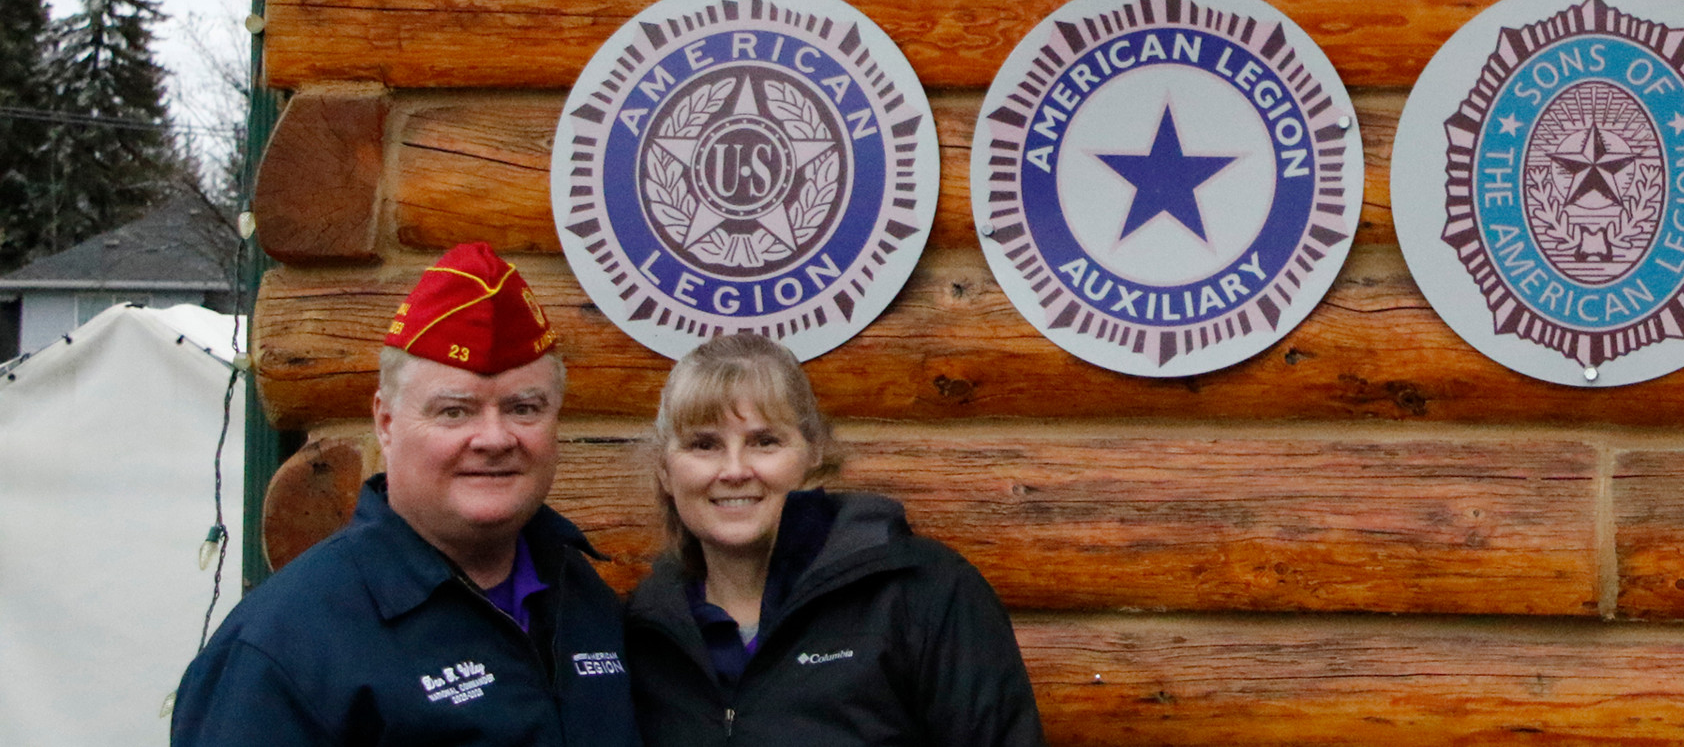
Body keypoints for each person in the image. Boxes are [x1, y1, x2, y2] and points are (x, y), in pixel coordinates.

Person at [173, 244, 638, 747]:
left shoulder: (582, 598)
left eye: (524, 408)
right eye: (454, 412)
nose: (495, 439)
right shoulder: (282, 649)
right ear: (386, 422)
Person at [624, 332, 1043, 746]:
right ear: (664, 469)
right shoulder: (645, 628)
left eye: (764, 441)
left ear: (814, 450)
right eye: (704, 444)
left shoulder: (924, 595)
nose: (734, 470)